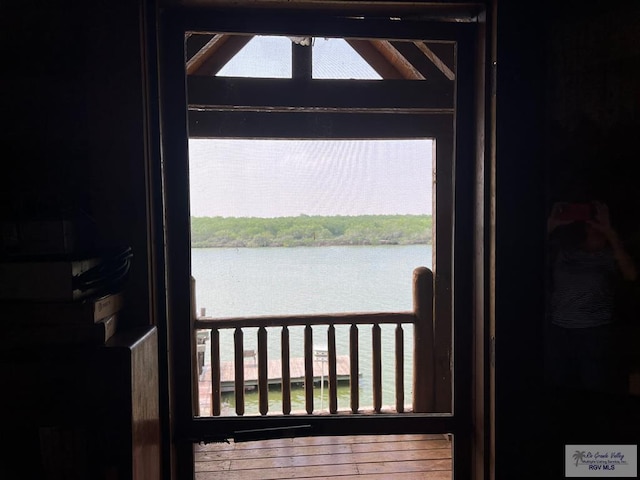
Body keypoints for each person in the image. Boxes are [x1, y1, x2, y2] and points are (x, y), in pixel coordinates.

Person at [545, 200, 637, 393]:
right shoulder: (566, 252)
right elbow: (527, 255)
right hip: (560, 329)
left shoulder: (610, 255)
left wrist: (610, 233)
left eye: (596, 220)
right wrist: (551, 225)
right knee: (558, 386)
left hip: (594, 331)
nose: (592, 225)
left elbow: (631, 275)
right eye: (589, 221)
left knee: (593, 386)